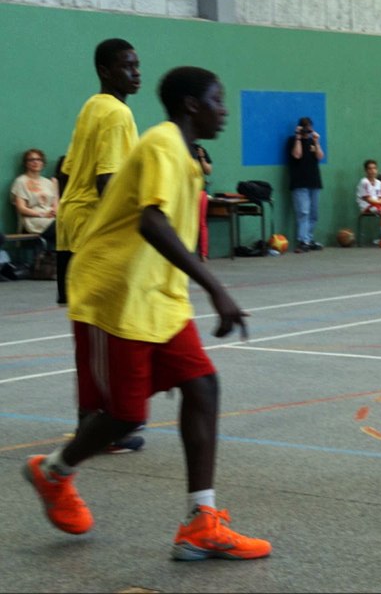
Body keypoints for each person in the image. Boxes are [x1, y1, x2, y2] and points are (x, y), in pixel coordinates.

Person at [22, 65, 271, 561]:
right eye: (218, 99)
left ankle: (202, 521)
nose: (225, 109)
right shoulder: (160, 142)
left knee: (203, 386)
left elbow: (171, 230)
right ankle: (53, 473)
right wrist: (216, 288)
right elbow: (151, 221)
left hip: (158, 296)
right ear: (191, 105)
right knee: (125, 415)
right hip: (114, 293)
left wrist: (194, 286)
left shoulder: (187, 157)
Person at [56, 37, 143, 454]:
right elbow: (108, 181)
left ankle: (92, 425)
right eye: (127, 66)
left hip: (72, 224)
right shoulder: (116, 112)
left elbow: (67, 167)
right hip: (95, 229)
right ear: (106, 71)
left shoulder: (92, 105)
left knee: (90, 334)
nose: (136, 72)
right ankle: (102, 429)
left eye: (138, 65)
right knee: (110, 333)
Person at [288, 116, 324, 253]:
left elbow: (320, 156)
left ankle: (309, 239)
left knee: (313, 213)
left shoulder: (312, 142)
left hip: (314, 181)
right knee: (303, 212)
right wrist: (298, 137)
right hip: (299, 182)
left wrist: (317, 142)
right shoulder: (292, 141)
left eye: (309, 127)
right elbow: (297, 155)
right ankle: (302, 240)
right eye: (304, 127)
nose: (307, 130)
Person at [10, 149, 59, 251]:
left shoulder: (48, 182)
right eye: (31, 160)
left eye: (39, 159)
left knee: (70, 225)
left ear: (43, 162)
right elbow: (21, 208)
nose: (36, 162)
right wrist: (42, 214)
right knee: (61, 229)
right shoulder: (21, 181)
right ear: (26, 163)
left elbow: (55, 204)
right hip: (34, 219)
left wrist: (55, 211)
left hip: (51, 218)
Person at [195, 144, 213, 262]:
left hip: (199, 192)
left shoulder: (200, 149)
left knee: (201, 223)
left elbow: (208, 171)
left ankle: (203, 254)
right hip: (184, 192)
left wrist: (201, 158)